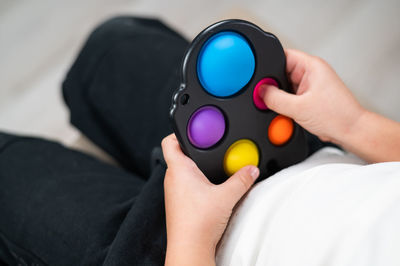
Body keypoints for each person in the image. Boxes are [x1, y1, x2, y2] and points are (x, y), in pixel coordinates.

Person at [0, 16, 399, 265]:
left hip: (187, 252)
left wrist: (190, 238)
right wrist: (354, 123)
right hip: (287, 152)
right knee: (114, 44)